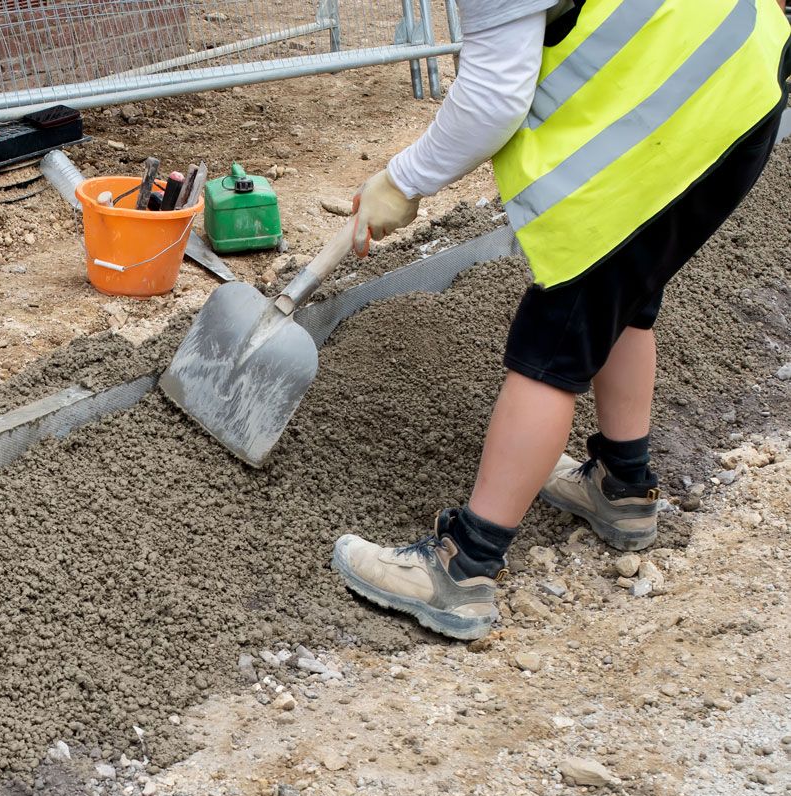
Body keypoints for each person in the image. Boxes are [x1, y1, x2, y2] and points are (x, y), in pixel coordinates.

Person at [330, 0, 791, 641]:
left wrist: (404, 180)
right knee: (626, 297)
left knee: (552, 347)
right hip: (737, 86)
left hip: (676, 112)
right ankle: (622, 489)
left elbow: (495, 97)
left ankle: (464, 568)